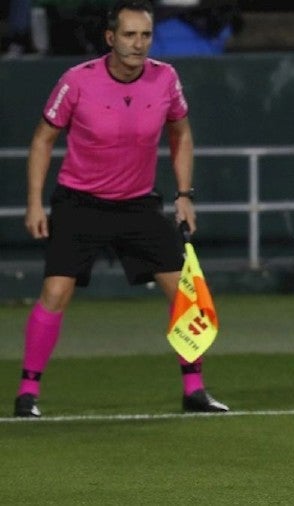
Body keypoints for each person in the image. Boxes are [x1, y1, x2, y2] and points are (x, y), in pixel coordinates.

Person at [15, 0, 229, 418]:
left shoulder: (165, 78)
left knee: (185, 292)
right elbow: (42, 140)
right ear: (110, 38)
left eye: (145, 35)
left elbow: (181, 134)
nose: (138, 44)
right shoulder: (77, 81)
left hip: (137, 204)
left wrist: (184, 195)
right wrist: (34, 203)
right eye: (129, 35)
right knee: (56, 292)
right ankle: (27, 394)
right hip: (80, 202)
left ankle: (194, 390)